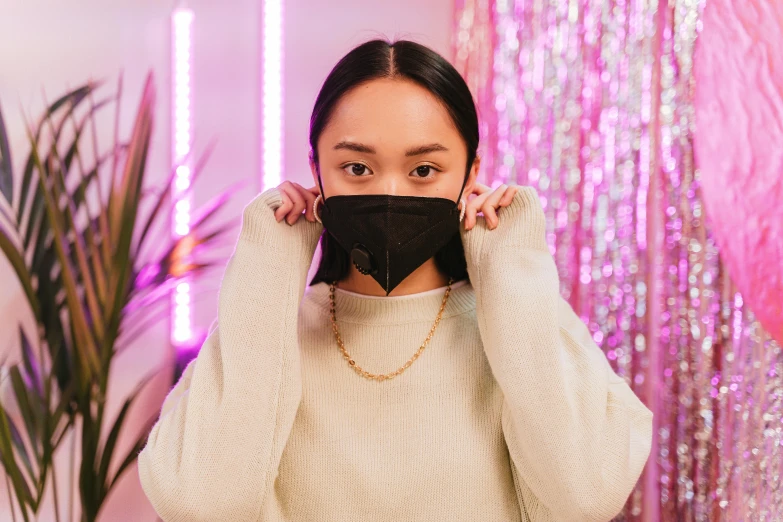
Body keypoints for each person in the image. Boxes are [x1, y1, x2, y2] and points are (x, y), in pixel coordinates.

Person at [138, 38, 653, 521]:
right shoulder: (270, 328)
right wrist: (268, 263)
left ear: (470, 176)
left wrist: (510, 267)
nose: (389, 191)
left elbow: (584, 497)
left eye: (424, 170)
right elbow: (202, 507)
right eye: (357, 168)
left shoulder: (519, 317)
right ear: (316, 171)